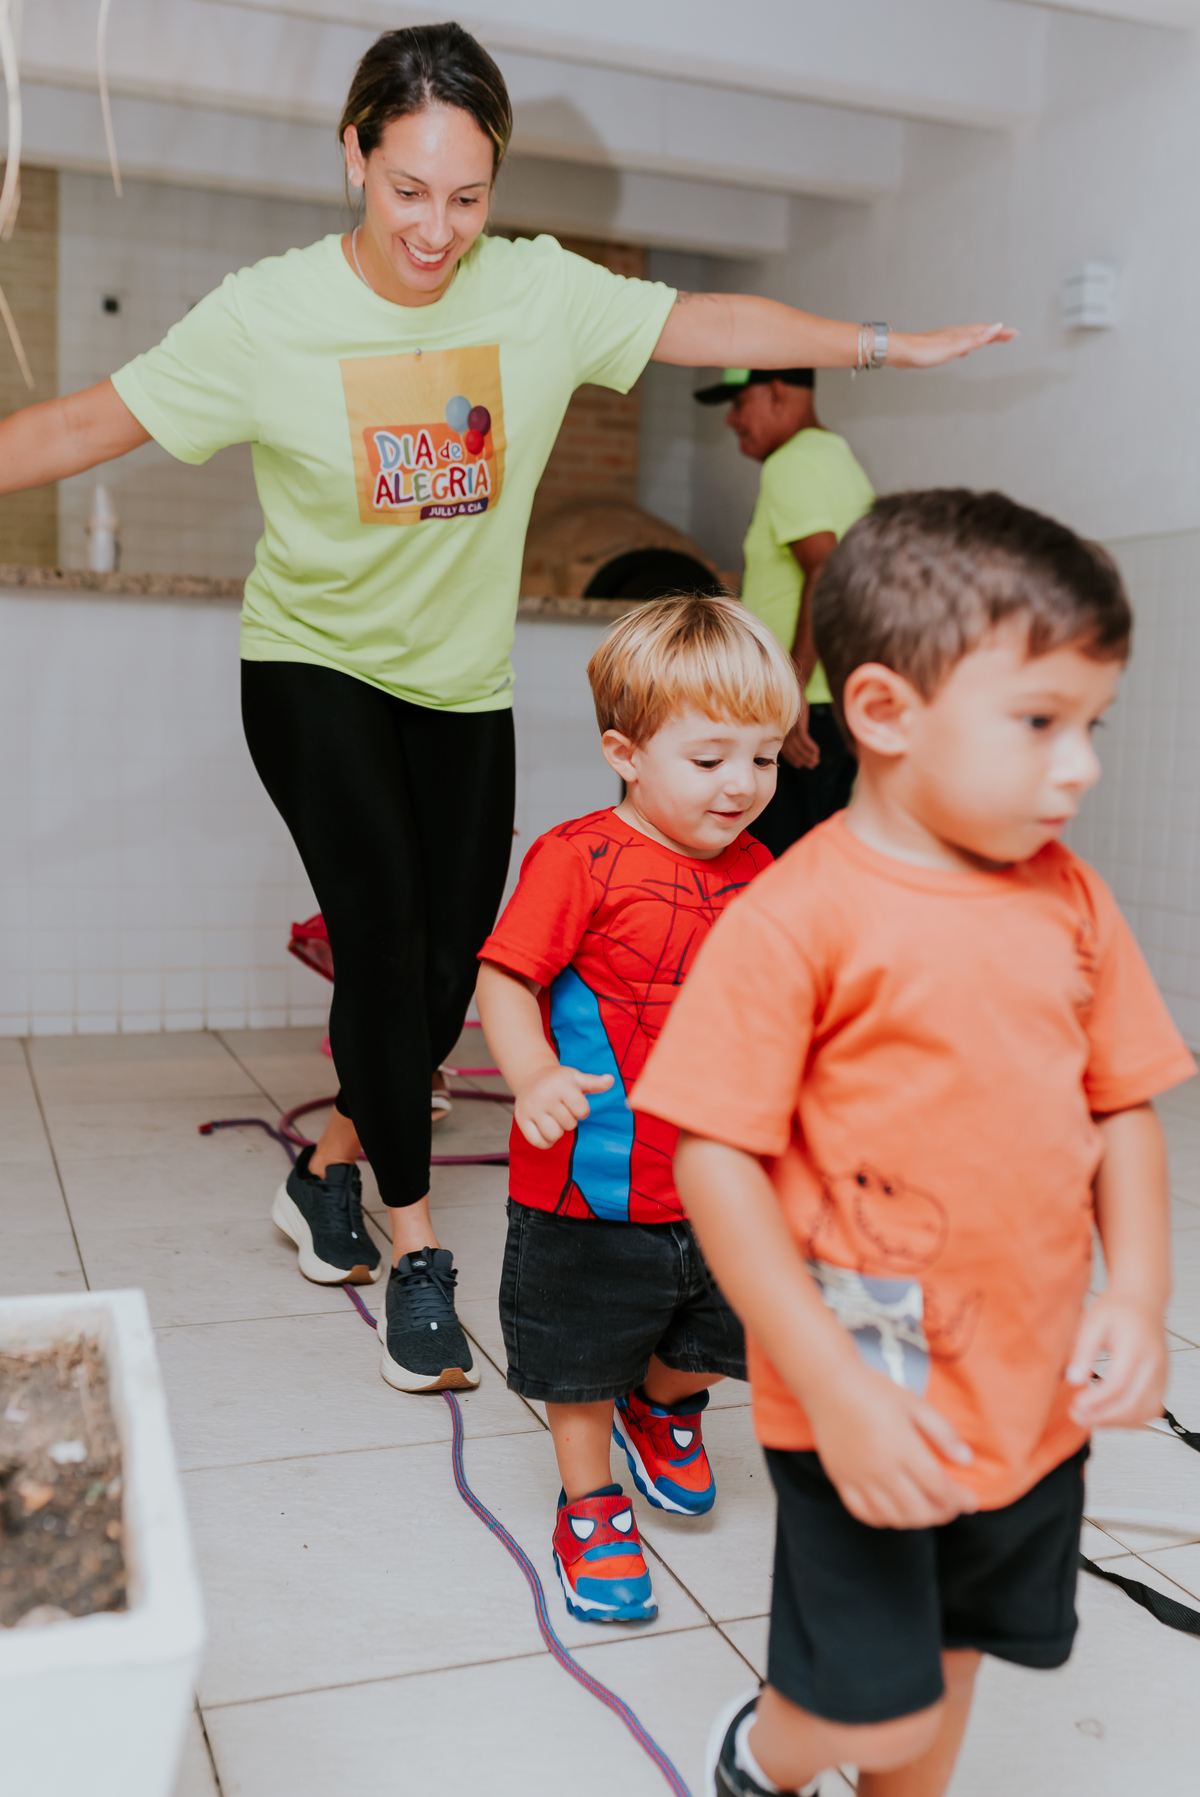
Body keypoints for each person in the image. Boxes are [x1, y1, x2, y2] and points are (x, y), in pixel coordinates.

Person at [0, 20, 1013, 1396]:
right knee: (382, 938)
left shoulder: (535, 294)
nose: (437, 227)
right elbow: (80, 426)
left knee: (453, 967)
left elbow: (705, 325)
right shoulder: (268, 313)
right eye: (408, 189)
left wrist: (887, 341)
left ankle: (331, 1167)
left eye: (467, 197)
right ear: (353, 154)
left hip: (457, 679)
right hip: (312, 665)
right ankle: (411, 1250)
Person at [631, 491, 1195, 1797]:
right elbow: (713, 1159)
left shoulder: (1073, 898)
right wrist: (825, 1378)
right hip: (862, 1373)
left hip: (1029, 1383)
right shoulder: (796, 917)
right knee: (861, 1715)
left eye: (1090, 723)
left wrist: (1144, 1291)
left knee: (952, 1668)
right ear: (882, 713)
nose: (1081, 766)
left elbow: (1123, 1108)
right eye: (1040, 724)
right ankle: (761, 1754)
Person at [475, 595, 796, 1622]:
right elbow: (507, 979)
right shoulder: (580, 859)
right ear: (625, 751)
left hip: (722, 1175)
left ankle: (662, 1408)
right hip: (590, 1176)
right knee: (579, 1353)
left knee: (727, 1325)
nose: (743, 786)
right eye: (710, 761)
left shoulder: (760, 870)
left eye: (765, 758)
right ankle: (592, 1500)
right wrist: (531, 1078)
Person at [694, 366, 874, 855]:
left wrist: (789, 693)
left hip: (802, 709)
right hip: (833, 703)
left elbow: (825, 567)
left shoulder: (789, 464)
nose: (732, 420)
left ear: (776, 393)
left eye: (739, 404)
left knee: (772, 870)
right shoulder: (840, 460)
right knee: (822, 866)